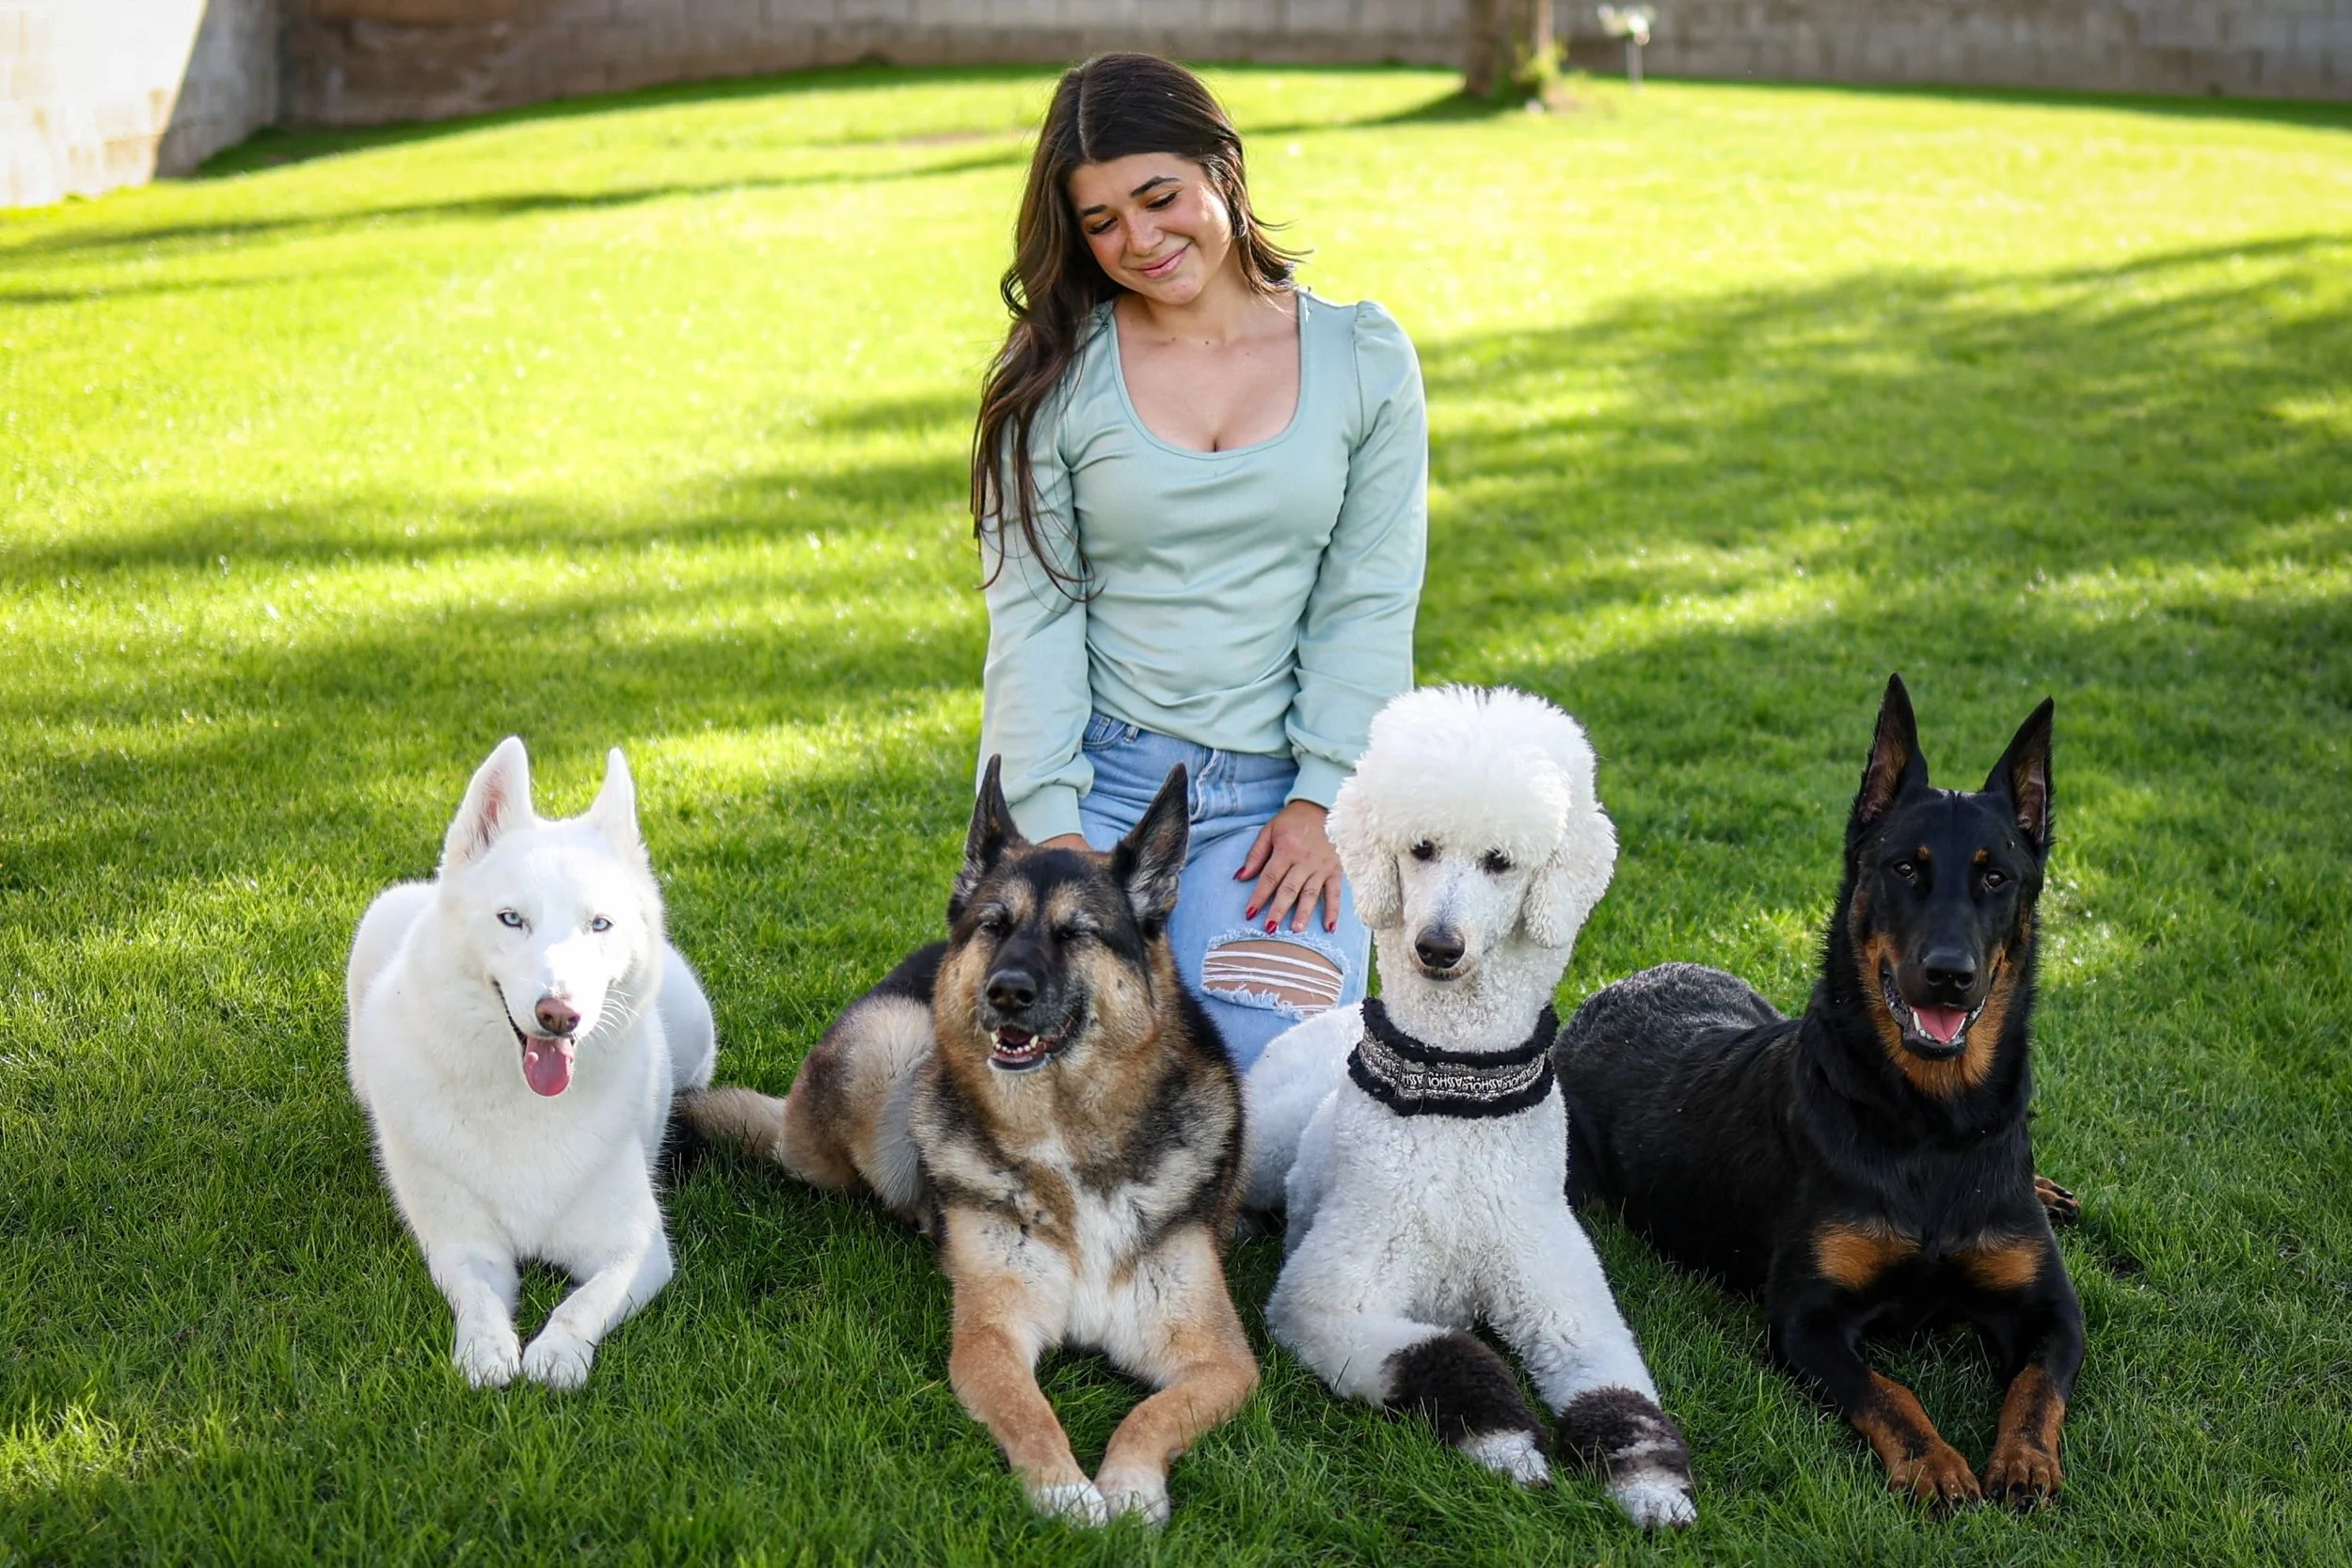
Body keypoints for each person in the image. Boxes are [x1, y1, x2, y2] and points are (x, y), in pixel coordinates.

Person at [970, 53, 1427, 1070]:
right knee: (1060, 1079)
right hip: (1098, 781)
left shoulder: (1365, 360)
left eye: (1157, 196)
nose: (1137, 240)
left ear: (1222, 168)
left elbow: (1368, 597)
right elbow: (1033, 615)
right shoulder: (1053, 376)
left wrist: (1324, 803)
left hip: (1281, 800)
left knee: (1265, 1104)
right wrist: (1053, 832)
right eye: (1099, 221)